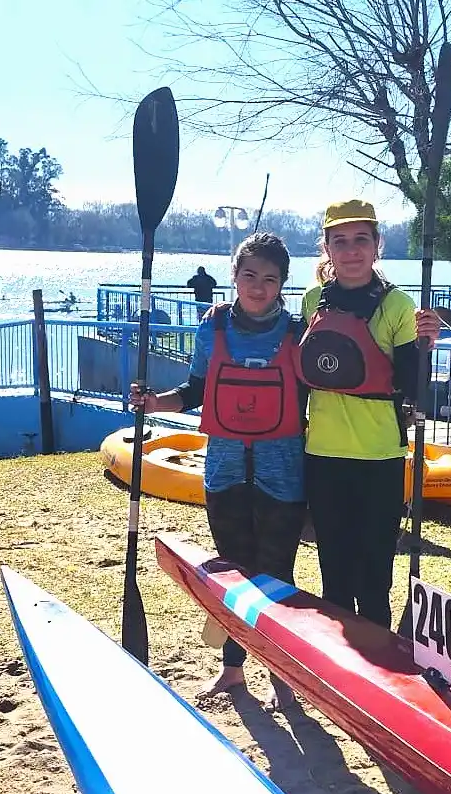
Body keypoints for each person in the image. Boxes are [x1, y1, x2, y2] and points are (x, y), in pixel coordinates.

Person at [130, 233, 306, 709]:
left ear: (282, 284)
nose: (258, 287)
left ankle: (281, 674)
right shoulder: (212, 329)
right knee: (233, 573)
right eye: (249, 275)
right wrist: (155, 402)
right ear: (234, 276)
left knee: (275, 573)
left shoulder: (299, 330)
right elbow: (195, 389)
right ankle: (233, 670)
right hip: (225, 469)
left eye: (270, 279)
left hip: (283, 471)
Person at [298, 199, 440, 629]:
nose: (351, 250)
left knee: (374, 574)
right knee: (334, 571)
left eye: (362, 239)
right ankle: (341, 665)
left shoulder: (399, 307)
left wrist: (424, 346)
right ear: (327, 248)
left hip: (380, 455)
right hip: (323, 453)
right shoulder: (311, 301)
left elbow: (414, 385)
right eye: (339, 241)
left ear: (378, 245)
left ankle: (381, 656)